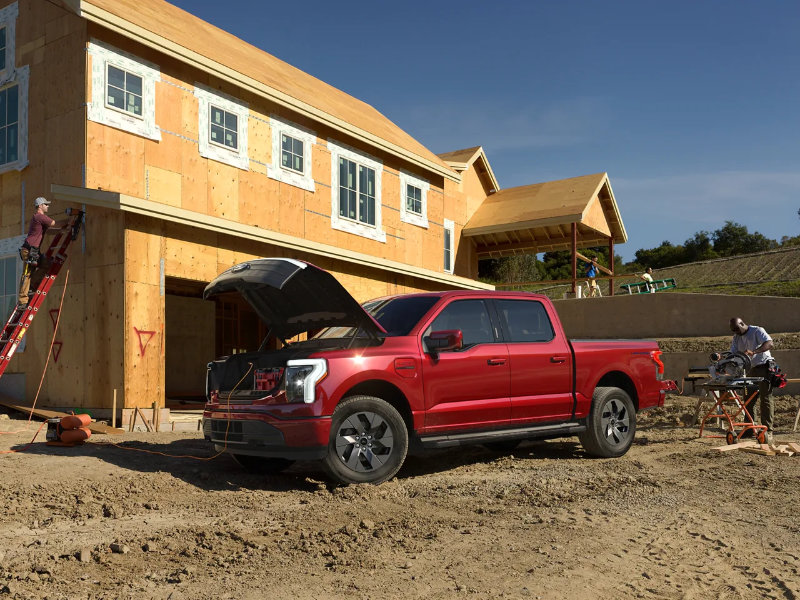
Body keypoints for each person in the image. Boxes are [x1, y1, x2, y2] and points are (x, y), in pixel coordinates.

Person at [729, 317, 775, 443]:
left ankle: (767, 430)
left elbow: (769, 343)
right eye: (733, 330)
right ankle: (749, 428)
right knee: (748, 399)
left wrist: (755, 351)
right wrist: (725, 358)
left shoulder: (757, 331)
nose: (736, 332)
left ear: (742, 323)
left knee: (765, 399)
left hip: (763, 367)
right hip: (749, 370)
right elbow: (732, 352)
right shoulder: (736, 337)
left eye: (737, 329)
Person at [18, 197, 68, 309]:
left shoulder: (39, 219)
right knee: (27, 274)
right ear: (40, 206)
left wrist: (62, 231)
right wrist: (68, 221)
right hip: (28, 250)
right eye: (46, 204)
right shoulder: (39, 216)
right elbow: (54, 223)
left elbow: (49, 231)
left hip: (34, 251)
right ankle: (22, 301)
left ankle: (33, 283)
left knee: (46, 264)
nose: (48, 206)